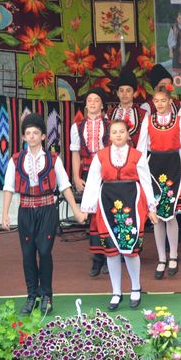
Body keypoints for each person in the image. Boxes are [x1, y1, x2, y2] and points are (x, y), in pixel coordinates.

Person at [2, 114, 82, 315]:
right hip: (25, 211)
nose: (32, 136)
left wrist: (76, 210)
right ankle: (32, 295)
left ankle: (46, 295)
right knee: (28, 254)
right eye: (28, 133)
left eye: (36, 133)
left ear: (43, 136)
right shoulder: (15, 159)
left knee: (45, 252)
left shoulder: (53, 159)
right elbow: (8, 187)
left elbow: (64, 186)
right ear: (23, 137)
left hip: (47, 210)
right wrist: (4, 214)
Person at [81, 120, 158, 310]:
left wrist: (151, 207)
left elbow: (146, 182)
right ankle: (116, 292)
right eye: (114, 132)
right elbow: (93, 181)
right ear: (109, 135)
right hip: (107, 203)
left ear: (128, 134)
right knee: (111, 250)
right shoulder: (100, 156)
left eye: (121, 131)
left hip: (131, 202)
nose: (118, 135)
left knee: (130, 248)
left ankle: (136, 287)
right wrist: (87, 208)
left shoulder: (137, 156)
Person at [137, 86, 181, 279]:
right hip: (154, 167)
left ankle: (174, 256)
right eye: (156, 101)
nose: (159, 104)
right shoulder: (148, 120)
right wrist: (140, 173)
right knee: (157, 216)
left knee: (170, 215)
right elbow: (141, 149)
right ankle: (162, 258)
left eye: (163, 100)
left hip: (174, 167)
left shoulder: (180, 121)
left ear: (170, 101)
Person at [70, 87, 109, 277]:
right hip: (87, 173)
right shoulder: (77, 126)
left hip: (106, 172)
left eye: (96, 100)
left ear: (102, 105)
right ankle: (97, 258)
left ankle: (110, 256)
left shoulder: (110, 125)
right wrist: (76, 177)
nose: (92, 103)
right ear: (86, 104)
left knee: (108, 212)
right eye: (90, 100)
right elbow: (75, 153)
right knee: (92, 214)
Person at [107, 68, 143, 146]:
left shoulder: (143, 114)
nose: (124, 94)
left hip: (134, 153)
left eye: (128, 90)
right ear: (117, 93)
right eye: (121, 90)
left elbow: (143, 143)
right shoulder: (109, 113)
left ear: (134, 93)